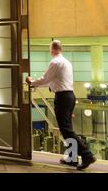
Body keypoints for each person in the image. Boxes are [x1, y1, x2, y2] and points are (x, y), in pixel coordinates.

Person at [26, 40, 96, 170]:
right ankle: (72, 159)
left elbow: (45, 79)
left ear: (52, 49)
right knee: (67, 128)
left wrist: (31, 82)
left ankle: (87, 155)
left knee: (66, 130)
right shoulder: (66, 62)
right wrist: (37, 83)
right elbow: (52, 81)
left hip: (63, 97)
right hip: (69, 96)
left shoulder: (55, 62)